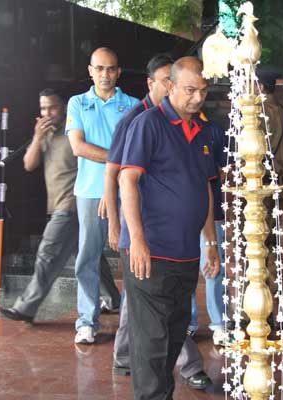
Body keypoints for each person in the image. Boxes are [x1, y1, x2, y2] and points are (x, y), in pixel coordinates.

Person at [105, 53, 212, 390]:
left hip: (186, 252)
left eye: (203, 91)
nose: (197, 98)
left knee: (176, 332)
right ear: (170, 87)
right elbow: (127, 179)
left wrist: (210, 242)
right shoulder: (147, 123)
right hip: (151, 251)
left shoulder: (202, 129)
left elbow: (205, 188)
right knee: (151, 340)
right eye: (190, 90)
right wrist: (136, 240)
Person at [0, 89, 118, 323]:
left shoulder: (75, 132)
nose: (47, 113)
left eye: (52, 107)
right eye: (43, 108)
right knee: (90, 256)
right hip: (60, 205)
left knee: (47, 254)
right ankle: (114, 300)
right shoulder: (47, 135)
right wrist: (37, 137)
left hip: (72, 205)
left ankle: (26, 307)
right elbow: (29, 164)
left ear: (63, 108)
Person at [66, 47, 138, 344]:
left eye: (110, 69)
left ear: (118, 72)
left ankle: (132, 323)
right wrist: (116, 160)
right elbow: (78, 147)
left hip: (127, 193)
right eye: (99, 68)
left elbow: (136, 152)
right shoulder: (78, 103)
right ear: (90, 71)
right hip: (89, 193)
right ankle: (86, 321)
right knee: (87, 258)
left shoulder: (133, 106)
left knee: (132, 257)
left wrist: (115, 166)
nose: (105, 74)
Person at [255, 65, 283, 320]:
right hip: (281, 186)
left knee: (258, 245)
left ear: (260, 87)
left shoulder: (256, 114)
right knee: (267, 243)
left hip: (260, 188)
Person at [189, 117, 229, 347]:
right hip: (179, 213)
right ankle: (187, 321)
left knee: (213, 267)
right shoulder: (166, 127)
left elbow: (224, 168)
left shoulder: (212, 129)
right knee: (184, 267)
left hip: (211, 211)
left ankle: (219, 322)